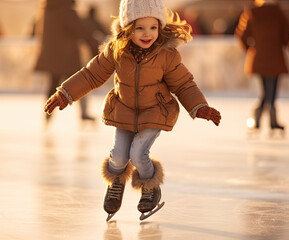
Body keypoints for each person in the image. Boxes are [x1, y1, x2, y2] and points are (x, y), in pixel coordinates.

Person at [44, 0, 221, 221]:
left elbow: (184, 84)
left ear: (160, 27)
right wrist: (65, 93)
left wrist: (199, 107)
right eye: (140, 28)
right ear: (128, 28)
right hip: (124, 110)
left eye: (153, 27)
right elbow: (91, 75)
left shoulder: (167, 55)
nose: (148, 34)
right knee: (118, 157)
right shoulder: (116, 50)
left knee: (138, 153)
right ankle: (116, 184)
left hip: (155, 111)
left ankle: (150, 187)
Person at [234, 0, 289, 135]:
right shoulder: (277, 13)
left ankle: (258, 118)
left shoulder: (251, 13)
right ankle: (271, 120)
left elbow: (242, 35)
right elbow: (286, 34)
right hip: (275, 57)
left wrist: (250, 48)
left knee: (266, 91)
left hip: (259, 57)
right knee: (271, 91)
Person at [35, 0, 96, 124]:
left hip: (53, 56)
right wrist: (94, 44)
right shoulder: (66, 10)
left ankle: (48, 112)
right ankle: (84, 113)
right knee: (80, 82)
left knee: (53, 83)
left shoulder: (47, 9)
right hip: (68, 56)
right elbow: (80, 30)